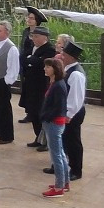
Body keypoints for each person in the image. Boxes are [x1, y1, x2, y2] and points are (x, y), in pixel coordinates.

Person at [46, 39, 86, 183]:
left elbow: (76, 97)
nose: (61, 56)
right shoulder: (68, 70)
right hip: (65, 112)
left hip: (72, 113)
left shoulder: (75, 74)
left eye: (64, 54)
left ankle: (76, 170)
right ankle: (58, 166)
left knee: (72, 141)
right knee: (61, 140)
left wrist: (69, 114)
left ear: (71, 57)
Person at [21, 24, 55, 150]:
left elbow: (41, 63)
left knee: (41, 113)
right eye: (32, 36)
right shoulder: (31, 47)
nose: (33, 39)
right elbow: (23, 59)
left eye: (36, 36)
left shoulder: (49, 50)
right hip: (30, 84)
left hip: (41, 86)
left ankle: (45, 141)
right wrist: (32, 60)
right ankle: (38, 137)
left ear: (44, 38)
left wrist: (32, 60)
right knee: (33, 112)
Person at [40, 57, 70, 197]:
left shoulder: (58, 86)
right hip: (55, 122)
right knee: (60, 152)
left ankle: (59, 187)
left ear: (55, 69)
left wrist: (45, 116)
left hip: (54, 123)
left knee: (56, 154)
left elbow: (57, 108)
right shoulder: (55, 83)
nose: (45, 69)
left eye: (48, 67)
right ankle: (65, 182)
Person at [17, 6, 44, 122]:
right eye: (28, 17)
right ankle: (28, 112)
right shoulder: (26, 31)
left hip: (34, 65)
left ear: (37, 21)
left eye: (32, 18)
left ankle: (34, 113)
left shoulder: (41, 32)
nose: (29, 20)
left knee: (34, 90)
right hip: (24, 63)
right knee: (26, 88)